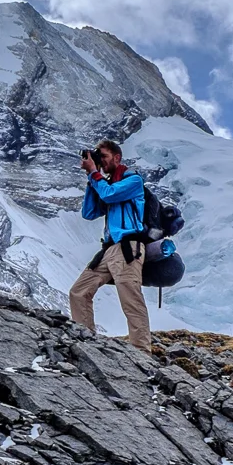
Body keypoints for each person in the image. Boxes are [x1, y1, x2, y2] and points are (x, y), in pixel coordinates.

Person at [68, 139, 151, 352]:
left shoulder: (132, 181)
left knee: (130, 299)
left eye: (103, 157)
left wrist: (95, 174)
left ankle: (142, 352)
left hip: (128, 247)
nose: (101, 161)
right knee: (79, 292)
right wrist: (91, 178)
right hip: (109, 250)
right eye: (98, 158)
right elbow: (89, 213)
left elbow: (110, 195)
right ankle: (86, 342)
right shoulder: (106, 182)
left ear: (117, 157)